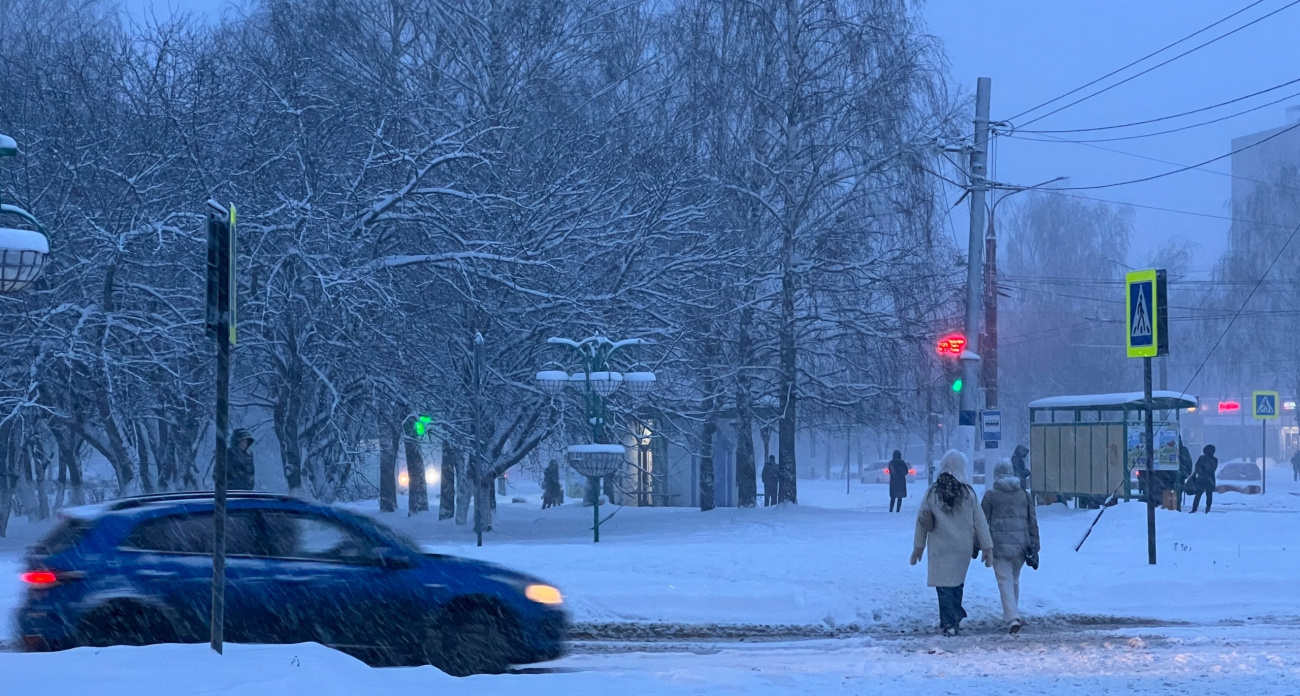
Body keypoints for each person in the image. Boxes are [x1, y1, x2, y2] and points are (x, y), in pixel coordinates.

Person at [911, 450, 993, 636]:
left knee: (943, 585)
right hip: (962, 546)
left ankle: (948, 621)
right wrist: (987, 547)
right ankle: (954, 615)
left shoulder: (933, 492)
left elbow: (921, 519)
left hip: (939, 546)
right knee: (957, 582)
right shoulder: (968, 493)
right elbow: (980, 521)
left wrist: (918, 546)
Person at [981, 461, 1040, 634]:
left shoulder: (991, 495)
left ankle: (1012, 617)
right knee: (1014, 579)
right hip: (1021, 547)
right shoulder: (1024, 494)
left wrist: (978, 545)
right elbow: (1032, 522)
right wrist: (1035, 545)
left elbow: (982, 522)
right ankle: (1012, 614)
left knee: (1004, 581)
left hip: (998, 546)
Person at [1188, 444, 1218, 514]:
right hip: (1210, 480)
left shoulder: (1202, 458)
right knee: (1209, 495)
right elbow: (1212, 469)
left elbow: (1197, 467)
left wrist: (1197, 474)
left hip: (1201, 479)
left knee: (1198, 494)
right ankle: (1208, 509)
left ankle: (1194, 509)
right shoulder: (1214, 460)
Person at [1178, 442, 1195, 510]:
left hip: (1177, 474)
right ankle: (1177, 505)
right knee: (1178, 491)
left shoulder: (1183, 450)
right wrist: (1186, 473)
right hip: (1181, 474)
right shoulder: (1184, 450)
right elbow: (1189, 463)